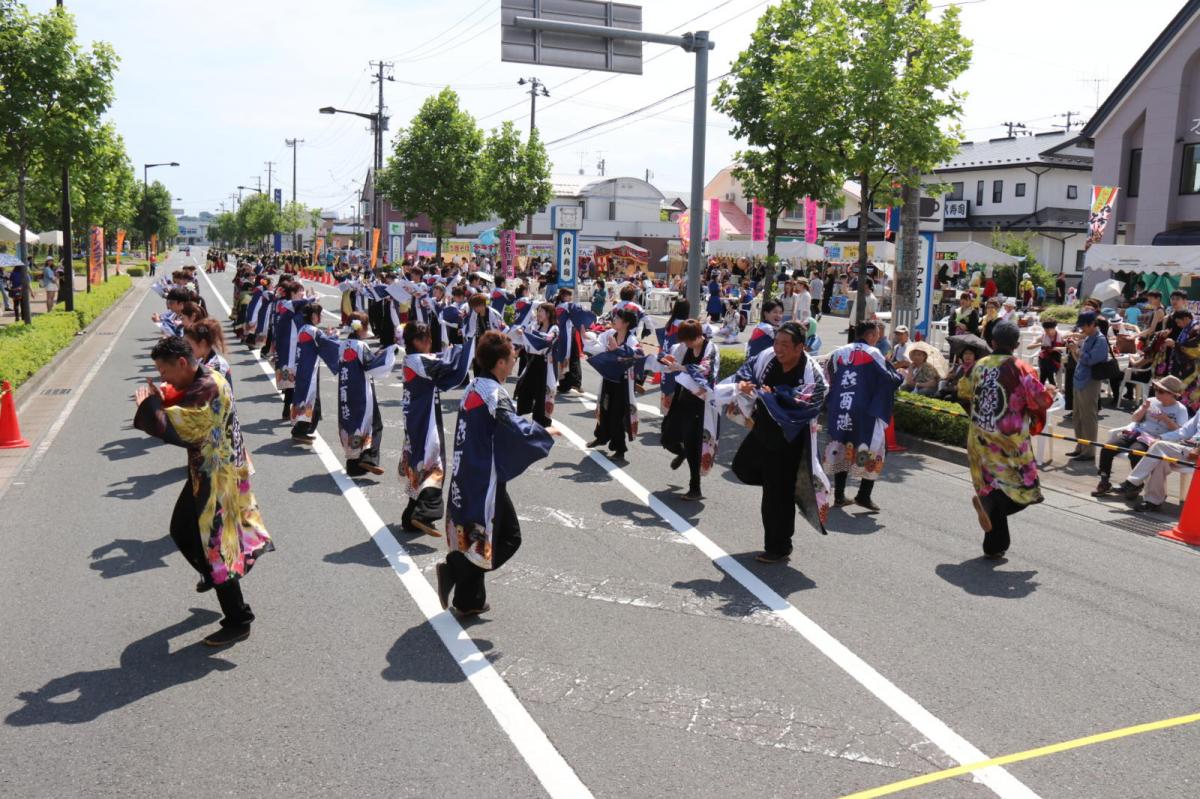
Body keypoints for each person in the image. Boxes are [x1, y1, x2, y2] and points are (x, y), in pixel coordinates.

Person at [132, 336, 272, 646]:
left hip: (219, 476)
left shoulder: (207, 386)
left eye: (163, 370)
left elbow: (175, 427)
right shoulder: (204, 377)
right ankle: (212, 574)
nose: (163, 377)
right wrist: (160, 397)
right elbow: (181, 395)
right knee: (182, 530)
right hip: (208, 470)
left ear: (182, 362)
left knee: (217, 550)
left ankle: (239, 619)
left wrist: (150, 403)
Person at [436, 331, 555, 615]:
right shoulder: (494, 395)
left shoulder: (474, 386)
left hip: (467, 472)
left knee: (477, 536)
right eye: (512, 356)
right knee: (509, 537)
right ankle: (455, 569)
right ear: (500, 363)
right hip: (484, 478)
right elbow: (515, 429)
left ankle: (469, 600)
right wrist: (544, 432)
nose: (515, 360)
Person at [724, 321, 831, 563]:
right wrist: (744, 385)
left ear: (800, 347)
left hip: (789, 439)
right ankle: (782, 488)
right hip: (764, 429)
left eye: (784, 345)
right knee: (742, 467)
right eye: (776, 343)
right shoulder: (768, 357)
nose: (778, 349)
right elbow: (747, 370)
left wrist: (777, 395)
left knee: (775, 494)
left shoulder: (811, 372)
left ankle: (779, 547)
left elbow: (809, 402)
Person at [965, 321, 1056, 558]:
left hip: (979, 437)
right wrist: (1051, 393)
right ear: (1016, 345)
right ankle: (991, 504)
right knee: (1025, 489)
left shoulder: (978, 365)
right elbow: (1041, 400)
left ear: (992, 342)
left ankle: (994, 545)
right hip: (1009, 442)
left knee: (992, 487)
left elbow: (964, 392)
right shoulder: (1020, 367)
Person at [823, 321, 903, 512]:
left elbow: (827, 378)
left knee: (841, 447)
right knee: (876, 450)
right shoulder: (873, 353)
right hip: (865, 411)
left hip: (840, 408)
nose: (877, 338)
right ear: (870, 336)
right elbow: (889, 378)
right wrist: (900, 376)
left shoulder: (837, 353)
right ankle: (863, 495)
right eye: (876, 335)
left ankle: (840, 495)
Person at [400, 322, 471, 536]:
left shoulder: (412, 360)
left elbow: (440, 360)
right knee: (432, 460)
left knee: (419, 459)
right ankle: (425, 513)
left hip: (416, 417)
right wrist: (468, 347)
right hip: (424, 417)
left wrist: (452, 351)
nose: (430, 342)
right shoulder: (418, 361)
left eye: (430, 338)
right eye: (425, 339)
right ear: (415, 341)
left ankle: (410, 517)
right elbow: (446, 367)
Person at [1093, 375, 1189, 496]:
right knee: (1108, 447)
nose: (1157, 393)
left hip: (1155, 439)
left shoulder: (1180, 409)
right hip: (1137, 432)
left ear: (1172, 394)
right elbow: (1134, 419)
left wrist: (1165, 419)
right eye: (1156, 389)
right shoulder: (1152, 401)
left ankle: (1135, 485)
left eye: (1161, 391)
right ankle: (1104, 481)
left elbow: (1181, 432)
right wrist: (1143, 409)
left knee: (1136, 452)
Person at [656, 319, 720, 501]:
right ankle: (681, 451)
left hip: (700, 402)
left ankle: (695, 488)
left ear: (699, 335)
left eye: (690, 340)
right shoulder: (684, 347)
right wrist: (665, 359)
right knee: (667, 437)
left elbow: (706, 370)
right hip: (682, 397)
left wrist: (681, 367)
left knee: (693, 444)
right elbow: (665, 356)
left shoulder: (711, 348)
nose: (687, 344)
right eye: (685, 341)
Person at [334, 312, 397, 477]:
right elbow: (372, 367)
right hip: (362, 391)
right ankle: (369, 458)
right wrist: (390, 352)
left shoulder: (342, 345)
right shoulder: (361, 346)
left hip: (346, 391)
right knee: (374, 423)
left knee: (351, 423)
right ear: (363, 327)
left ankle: (353, 466)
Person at [585, 307, 643, 461]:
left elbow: (636, 354)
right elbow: (597, 345)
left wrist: (617, 350)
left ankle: (620, 449)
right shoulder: (610, 334)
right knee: (603, 408)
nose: (614, 320)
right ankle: (601, 436)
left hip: (622, 382)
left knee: (617, 414)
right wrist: (585, 335)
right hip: (608, 378)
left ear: (626, 323)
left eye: (617, 318)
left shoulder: (632, 340)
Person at [1065, 312, 1110, 463]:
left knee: (1089, 417)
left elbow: (1090, 360)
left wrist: (1077, 350)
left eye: (1084, 325)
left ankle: (1089, 451)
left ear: (1092, 324)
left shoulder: (1100, 340)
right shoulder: (1089, 338)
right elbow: (1080, 360)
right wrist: (1074, 350)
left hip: (1090, 381)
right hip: (1079, 380)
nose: (1082, 329)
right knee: (1077, 416)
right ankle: (1080, 446)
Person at [513, 303, 560, 427]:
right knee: (524, 388)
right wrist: (521, 331)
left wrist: (531, 334)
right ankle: (521, 412)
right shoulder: (535, 325)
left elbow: (548, 340)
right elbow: (523, 331)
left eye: (541, 311)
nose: (538, 314)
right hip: (533, 361)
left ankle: (541, 423)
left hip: (546, 365)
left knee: (543, 394)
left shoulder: (554, 328)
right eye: (538, 311)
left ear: (548, 314)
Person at [183, 318, 232, 385]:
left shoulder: (217, 366)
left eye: (188, 344)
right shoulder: (201, 360)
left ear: (202, 343)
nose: (185, 348)